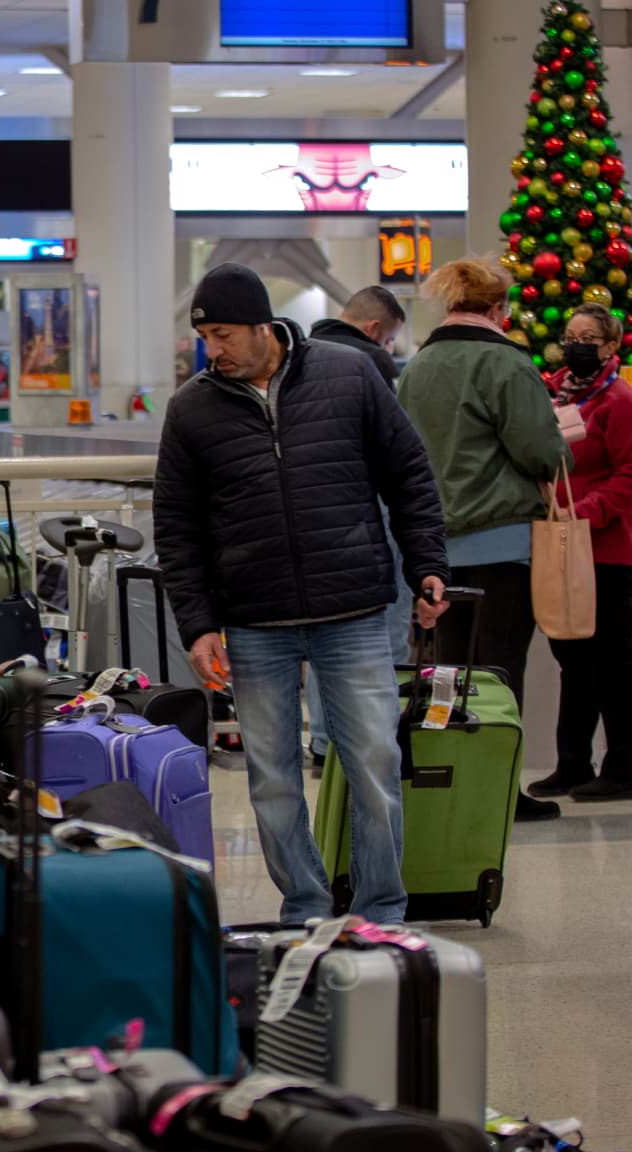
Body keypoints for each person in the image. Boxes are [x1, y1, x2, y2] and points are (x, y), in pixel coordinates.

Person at [154, 262, 450, 926]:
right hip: (255, 622)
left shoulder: (348, 376)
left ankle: (380, 912)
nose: (214, 350)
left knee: (374, 762)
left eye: (224, 334)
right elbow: (176, 526)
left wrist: (428, 564)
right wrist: (198, 623)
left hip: (354, 611)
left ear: (263, 326)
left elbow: (409, 473)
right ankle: (307, 910)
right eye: (205, 337)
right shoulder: (192, 409)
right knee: (273, 779)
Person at [397, 256, 571, 822]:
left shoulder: (416, 369)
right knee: (500, 671)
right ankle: (501, 791)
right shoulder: (505, 363)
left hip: (435, 548)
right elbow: (539, 449)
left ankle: (455, 782)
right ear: (499, 308)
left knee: (448, 671)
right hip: (502, 543)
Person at [518, 303, 632, 800]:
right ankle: (572, 764)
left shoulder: (620, 400)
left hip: (608, 550)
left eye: (588, 337)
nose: (576, 345)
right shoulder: (555, 396)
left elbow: (629, 476)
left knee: (613, 661)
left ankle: (624, 767)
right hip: (562, 545)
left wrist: (584, 509)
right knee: (573, 658)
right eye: (570, 335)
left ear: (611, 347)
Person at [303, 285, 413, 771]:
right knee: (379, 633)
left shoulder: (297, 359)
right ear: (374, 330)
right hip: (369, 514)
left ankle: (324, 741)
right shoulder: (372, 365)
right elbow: (396, 455)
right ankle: (370, 741)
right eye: (389, 338)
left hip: (310, 523)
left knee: (319, 636)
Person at [310, 285, 406, 387]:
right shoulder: (375, 357)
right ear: (373, 328)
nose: (389, 348)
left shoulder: (302, 349)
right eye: (387, 340)